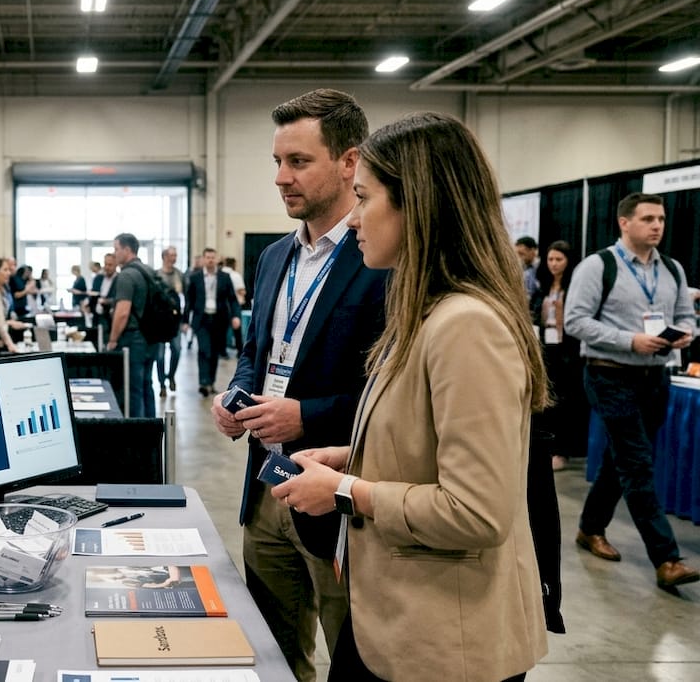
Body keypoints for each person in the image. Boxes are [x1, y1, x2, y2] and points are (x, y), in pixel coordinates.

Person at [266, 112, 548, 681]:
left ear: (416, 204)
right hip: (394, 622)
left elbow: (475, 512)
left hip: (444, 642)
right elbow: (425, 444)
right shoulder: (422, 314)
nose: (353, 222)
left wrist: (347, 489)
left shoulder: (466, 325)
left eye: (365, 199)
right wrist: (350, 457)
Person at [209, 88, 385, 682]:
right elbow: (255, 354)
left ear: (349, 162)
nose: (282, 178)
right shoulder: (272, 258)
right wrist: (236, 395)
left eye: (299, 162)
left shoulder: (381, 259)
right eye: (277, 163)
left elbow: (397, 392)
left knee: (351, 654)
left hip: (338, 493)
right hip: (266, 487)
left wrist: (306, 414)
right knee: (273, 654)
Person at [565, 191, 698, 589]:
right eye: (648, 219)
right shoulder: (598, 266)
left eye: (661, 218)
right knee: (637, 463)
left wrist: (683, 336)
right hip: (609, 375)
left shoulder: (672, 269)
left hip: (655, 378)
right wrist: (629, 340)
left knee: (620, 460)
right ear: (625, 223)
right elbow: (575, 321)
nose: (657, 225)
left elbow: (687, 317)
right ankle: (667, 559)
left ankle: (590, 528)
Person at [529, 240, 587, 471]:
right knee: (546, 400)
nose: (554, 264)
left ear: (568, 261)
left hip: (569, 351)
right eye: (551, 259)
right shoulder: (542, 286)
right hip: (546, 349)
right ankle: (546, 447)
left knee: (566, 402)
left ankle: (564, 450)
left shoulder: (575, 288)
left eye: (559, 259)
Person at [105, 232, 157, 418]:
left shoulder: (126, 275)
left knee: (133, 389)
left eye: (116, 249)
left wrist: (112, 340)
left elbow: (122, 312)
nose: (115, 253)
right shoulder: (149, 271)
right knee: (146, 385)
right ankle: (152, 431)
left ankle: (139, 436)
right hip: (152, 337)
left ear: (127, 250)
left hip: (134, 340)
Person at [185, 248, 240, 397]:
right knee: (204, 349)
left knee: (215, 351)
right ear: (203, 259)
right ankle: (203, 382)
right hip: (201, 320)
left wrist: (236, 316)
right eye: (207, 257)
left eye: (212, 257)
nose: (210, 260)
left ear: (216, 259)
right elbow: (189, 300)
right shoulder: (195, 277)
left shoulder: (224, 277)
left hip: (219, 319)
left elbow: (232, 298)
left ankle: (211, 382)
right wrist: (185, 321)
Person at [155, 246, 185, 396]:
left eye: (175, 255)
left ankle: (171, 375)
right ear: (164, 257)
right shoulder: (157, 275)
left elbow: (186, 296)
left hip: (175, 320)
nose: (174, 258)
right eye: (171, 255)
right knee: (159, 355)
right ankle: (161, 384)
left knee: (177, 349)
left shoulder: (179, 275)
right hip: (160, 322)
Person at [222, 256, 247, 357]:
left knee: (223, 330)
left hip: (222, 306)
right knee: (237, 329)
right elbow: (242, 291)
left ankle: (222, 351)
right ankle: (239, 350)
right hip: (234, 305)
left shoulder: (220, 274)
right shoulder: (236, 275)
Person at [91, 253, 117, 347]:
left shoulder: (119, 279)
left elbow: (118, 299)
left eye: (110, 265)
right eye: (105, 264)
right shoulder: (98, 278)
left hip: (109, 319)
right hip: (96, 318)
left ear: (116, 264)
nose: (107, 267)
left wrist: (107, 301)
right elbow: (93, 293)